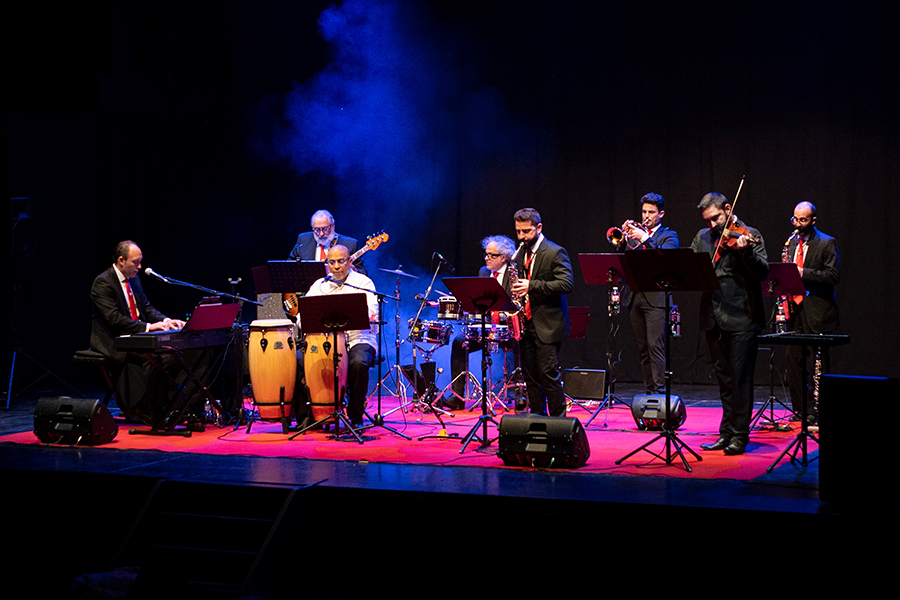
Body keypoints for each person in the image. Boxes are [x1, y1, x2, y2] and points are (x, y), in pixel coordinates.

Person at [691, 193, 768, 455]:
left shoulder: (749, 233)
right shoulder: (702, 237)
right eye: (708, 220)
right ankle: (725, 433)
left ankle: (740, 435)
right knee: (724, 380)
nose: (712, 225)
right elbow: (692, 270)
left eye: (716, 218)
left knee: (740, 379)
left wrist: (745, 252)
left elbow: (762, 273)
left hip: (742, 317)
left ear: (727, 208)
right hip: (712, 316)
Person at [90, 241, 185, 422]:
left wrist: (166, 320)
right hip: (113, 340)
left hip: (136, 336)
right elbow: (114, 319)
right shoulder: (102, 283)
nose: (140, 267)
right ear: (121, 260)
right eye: (135, 262)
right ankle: (146, 408)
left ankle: (171, 405)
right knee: (153, 357)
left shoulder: (134, 279)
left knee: (173, 354)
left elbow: (146, 309)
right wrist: (148, 327)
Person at [294, 245, 378, 428]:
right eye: (332, 262)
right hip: (326, 343)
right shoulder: (320, 285)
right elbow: (301, 316)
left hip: (359, 339)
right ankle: (307, 417)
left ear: (349, 261)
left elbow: (371, 313)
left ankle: (356, 419)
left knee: (358, 363)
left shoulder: (363, 283)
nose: (336, 266)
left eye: (341, 261)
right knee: (297, 361)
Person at [438, 235, 524, 412]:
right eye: (486, 254)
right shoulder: (483, 272)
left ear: (504, 257)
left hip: (507, 327)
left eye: (492, 255)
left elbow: (519, 303)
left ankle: (520, 393)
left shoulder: (515, 273)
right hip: (487, 327)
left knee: (521, 343)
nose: (487, 258)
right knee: (459, 342)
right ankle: (457, 395)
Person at [610, 193, 680, 394]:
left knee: (655, 348)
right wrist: (622, 240)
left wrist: (645, 238)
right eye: (644, 211)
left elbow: (665, 260)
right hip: (634, 296)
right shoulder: (635, 236)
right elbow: (620, 260)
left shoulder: (668, 235)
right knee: (642, 350)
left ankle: (660, 393)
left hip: (657, 298)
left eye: (651, 212)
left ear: (661, 214)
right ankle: (649, 392)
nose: (646, 216)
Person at [510, 208, 574, 417]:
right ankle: (537, 417)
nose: (522, 237)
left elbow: (566, 284)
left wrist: (531, 286)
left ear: (539, 228)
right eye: (518, 232)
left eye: (526, 232)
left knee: (548, 374)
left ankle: (558, 421)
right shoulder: (520, 253)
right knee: (530, 376)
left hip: (548, 323)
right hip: (526, 323)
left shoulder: (555, 252)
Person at [783, 201, 840, 420]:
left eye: (803, 220)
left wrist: (801, 272)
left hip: (817, 311)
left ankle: (819, 409)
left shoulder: (826, 243)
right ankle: (800, 409)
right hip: (794, 310)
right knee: (793, 360)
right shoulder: (790, 244)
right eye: (795, 219)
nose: (797, 224)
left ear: (813, 220)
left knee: (817, 363)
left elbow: (833, 276)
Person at [289, 209, 366, 274]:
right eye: (317, 230)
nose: (321, 234)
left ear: (333, 226)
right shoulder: (303, 240)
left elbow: (363, 272)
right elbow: (289, 266)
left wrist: (354, 272)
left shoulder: (350, 244)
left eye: (325, 229)